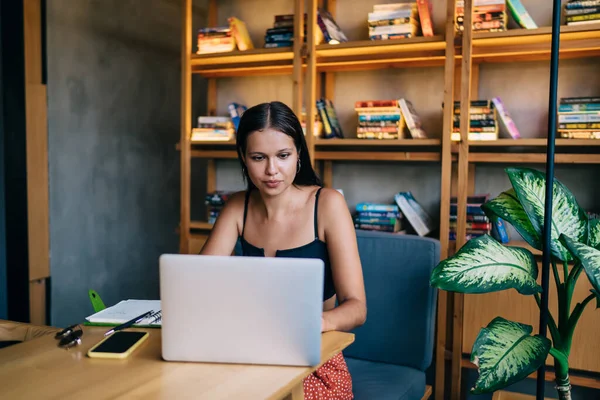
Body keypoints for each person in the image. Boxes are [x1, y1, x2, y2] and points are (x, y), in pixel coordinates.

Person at [200, 101, 367, 400]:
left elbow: (357, 307)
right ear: (243, 157)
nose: (271, 170)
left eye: (283, 156)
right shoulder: (238, 207)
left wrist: (320, 322)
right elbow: (196, 284)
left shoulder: (327, 205)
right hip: (251, 351)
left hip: (313, 360)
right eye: (258, 157)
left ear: (298, 154)